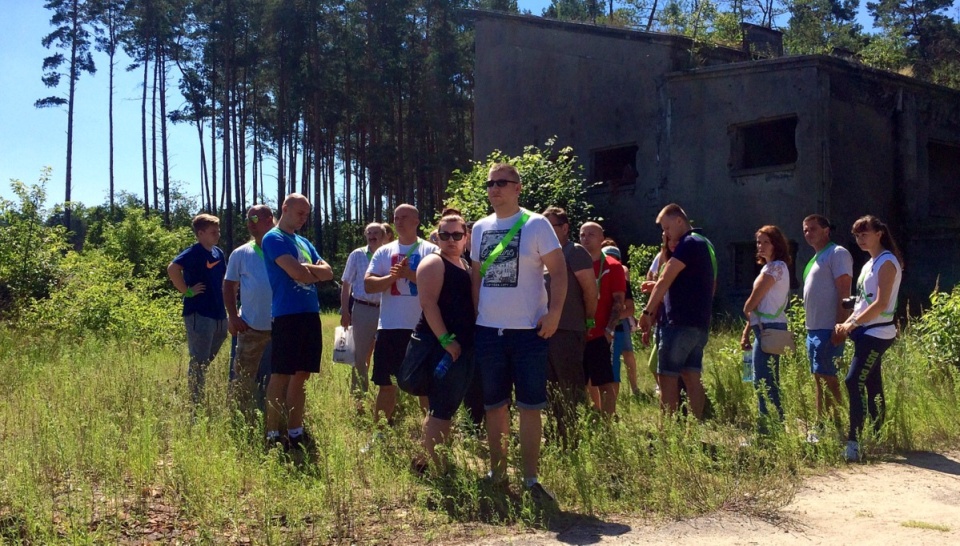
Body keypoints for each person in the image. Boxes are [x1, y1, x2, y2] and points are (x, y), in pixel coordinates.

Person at [471, 163, 567, 503]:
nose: (494, 188)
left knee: (529, 406)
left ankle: (530, 479)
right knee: (494, 405)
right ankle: (497, 473)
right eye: (490, 184)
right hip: (488, 331)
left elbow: (558, 272)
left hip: (529, 332)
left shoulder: (537, 224)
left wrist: (554, 313)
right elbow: (476, 276)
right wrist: (476, 315)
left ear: (518, 188)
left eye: (502, 183)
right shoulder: (480, 228)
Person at [261, 193, 333, 450]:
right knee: (281, 374)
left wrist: (308, 270)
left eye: (307, 214)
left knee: (302, 375)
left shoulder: (303, 241)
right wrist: (311, 271)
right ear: (285, 208)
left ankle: (295, 430)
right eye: (300, 213)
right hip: (286, 315)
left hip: (310, 313)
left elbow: (329, 272)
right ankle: (272, 433)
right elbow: (297, 274)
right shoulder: (273, 238)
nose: (304, 218)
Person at [409, 213, 476, 471]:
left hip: (459, 347)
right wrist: (447, 341)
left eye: (457, 235)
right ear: (436, 237)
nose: (451, 240)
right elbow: (428, 304)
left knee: (443, 407)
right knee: (441, 408)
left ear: (465, 237)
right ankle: (438, 469)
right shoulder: (434, 262)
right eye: (444, 235)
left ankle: (427, 461)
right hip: (441, 346)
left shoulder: (465, 265)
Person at [834, 215, 903, 462]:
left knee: (853, 381)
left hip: (878, 333)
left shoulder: (887, 262)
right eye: (856, 235)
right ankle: (877, 436)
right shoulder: (868, 264)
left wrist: (852, 322)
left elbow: (881, 303)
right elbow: (863, 300)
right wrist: (848, 321)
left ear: (879, 234)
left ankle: (854, 440)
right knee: (873, 384)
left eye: (864, 234)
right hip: (864, 332)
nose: (860, 239)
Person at [638, 204, 716, 419]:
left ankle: (667, 433)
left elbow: (665, 277)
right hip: (697, 325)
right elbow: (685, 285)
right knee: (692, 377)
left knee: (667, 378)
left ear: (680, 221)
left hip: (678, 324)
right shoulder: (701, 244)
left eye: (667, 227)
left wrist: (647, 312)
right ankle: (696, 427)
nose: (665, 233)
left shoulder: (689, 243)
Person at [365, 204, 439, 428]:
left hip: (423, 328)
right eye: (396, 217)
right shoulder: (384, 252)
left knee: (425, 386)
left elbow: (438, 284)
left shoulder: (430, 250)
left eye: (404, 217)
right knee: (386, 384)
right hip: (389, 327)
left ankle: (431, 435)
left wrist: (409, 274)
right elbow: (368, 285)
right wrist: (391, 277)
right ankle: (379, 433)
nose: (398, 221)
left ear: (416, 221)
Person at [543, 206, 597, 442]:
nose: (544, 231)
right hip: (545, 331)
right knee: (550, 387)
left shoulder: (575, 252)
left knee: (570, 386)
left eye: (550, 226)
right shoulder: (544, 253)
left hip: (568, 329)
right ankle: (557, 433)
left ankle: (572, 436)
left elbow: (590, 291)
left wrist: (588, 320)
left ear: (564, 228)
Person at [167, 213, 228, 405]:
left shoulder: (218, 253)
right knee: (199, 360)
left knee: (214, 346)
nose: (217, 234)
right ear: (200, 233)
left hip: (219, 312)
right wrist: (187, 291)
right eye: (212, 232)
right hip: (199, 313)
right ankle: (195, 403)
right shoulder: (193, 252)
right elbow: (173, 268)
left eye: (218, 231)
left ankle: (197, 377)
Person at [801, 214, 853, 436]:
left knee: (829, 378)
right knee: (819, 379)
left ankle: (838, 427)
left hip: (828, 328)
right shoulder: (814, 258)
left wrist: (840, 325)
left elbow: (844, 291)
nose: (808, 233)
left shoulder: (837, 253)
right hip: (813, 328)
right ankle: (821, 424)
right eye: (805, 230)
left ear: (826, 230)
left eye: (813, 228)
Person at [223, 205, 275, 419]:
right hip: (249, 326)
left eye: (254, 218)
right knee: (243, 377)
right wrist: (233, 317)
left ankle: (271, 416)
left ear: (270, 219)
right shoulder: (241, 253)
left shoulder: (287, 248)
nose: (249, 223)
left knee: (274, 377)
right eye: (247, 219)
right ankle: (240, 418)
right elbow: (228, 286)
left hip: (280, 327)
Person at [740, 225, 793, 426]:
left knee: (763, 379)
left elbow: (752, 302)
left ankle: (769, 426)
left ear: (776, 244)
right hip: (762, 326)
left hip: (770, 328)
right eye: (758, 242)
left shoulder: (775, 268)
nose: (760, 246)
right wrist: (746, 332)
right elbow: (757, 308)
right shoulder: (768, 267)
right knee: (763, 377)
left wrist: (747, 307)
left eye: (766, 242)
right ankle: (772, 422)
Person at [579, 222, 626, 417]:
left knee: (604, 382)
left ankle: (607, 423)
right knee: (577, 383)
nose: (586, 238)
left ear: (601, 238)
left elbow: (618, 302)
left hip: (599, 334)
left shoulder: (613, 267)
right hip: (577, 333)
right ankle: (582, 419)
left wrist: (609, 330)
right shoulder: (577, 264)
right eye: (582, 235)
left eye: (591, 234)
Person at [340, 223, 387, 399]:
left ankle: (387, 395)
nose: (372, 236)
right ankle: (359, 397)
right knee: (359, 356)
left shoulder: (389, 254)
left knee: (386, 354)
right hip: (362, 309)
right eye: (369, 233)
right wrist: (345, 310)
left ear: (383, 236)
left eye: (376, 233)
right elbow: (346, 284)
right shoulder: (357, 254)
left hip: (387, 311)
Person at [601, 242, 640, 398]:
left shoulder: (622, 278)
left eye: (614, 258)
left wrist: (612, 318)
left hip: (617, 327)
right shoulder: (595, 275)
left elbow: (629, 307)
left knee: (619, 359)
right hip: (601, 328)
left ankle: (617, 400)